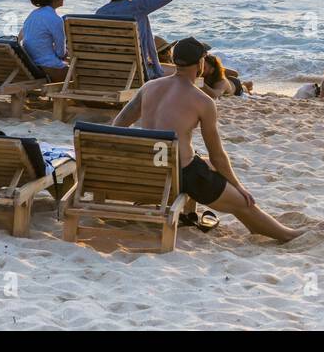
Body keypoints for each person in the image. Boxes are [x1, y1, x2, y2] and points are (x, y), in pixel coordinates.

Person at [113, 37, 308, 241]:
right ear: (200, 64)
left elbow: (117, 126)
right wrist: (239, 187)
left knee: (202, 162)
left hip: (149, 167)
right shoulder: (202, 101)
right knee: (242, 202)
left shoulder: (149, 87)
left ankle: (244, 223)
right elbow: (218, 156)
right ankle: (287, 235)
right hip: (180, 176)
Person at [95, 0, 176, 81]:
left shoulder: (100, 13)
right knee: (179, 73)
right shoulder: (138, 6)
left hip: (108, 71)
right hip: (138, 73)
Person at [21, 0, 68, 81]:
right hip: (47, 67)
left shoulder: (33, 15)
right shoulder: (55, 19)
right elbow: (61, 53)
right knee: (78, 73)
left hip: (31, 64)